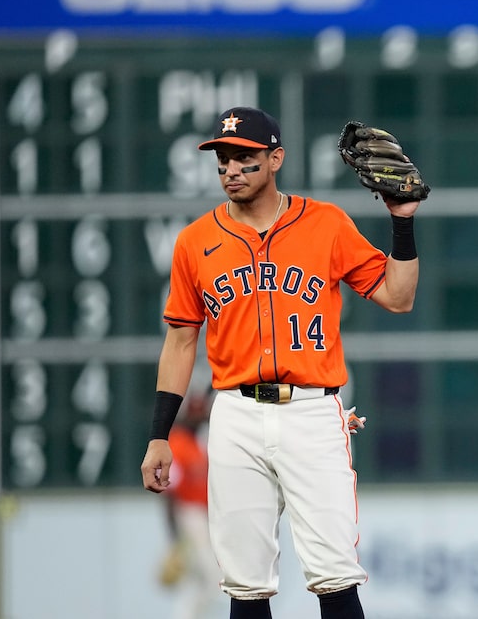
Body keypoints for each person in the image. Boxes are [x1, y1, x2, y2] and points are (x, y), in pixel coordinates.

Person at [140, 106, 425, 619]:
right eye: (223, 159)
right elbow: (181, 342)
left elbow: (398, 297)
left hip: (313, 413)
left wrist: (401, 223)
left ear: (276, 159)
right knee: (245, 586)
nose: (231, 169)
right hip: (235, 415)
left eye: (245, 158)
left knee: (336, 575)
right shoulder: (194, 242)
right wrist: (160, 433)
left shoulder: (326, 224)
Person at [158, 384, 222, 619]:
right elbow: (169, 495)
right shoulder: (176, 443)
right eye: (194, 412)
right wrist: (174, 539)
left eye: (200, 411)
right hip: (189, 516)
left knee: (197, 581)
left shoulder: (198, 441)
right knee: (212, 578)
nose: (199, 416)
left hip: (204, 517)